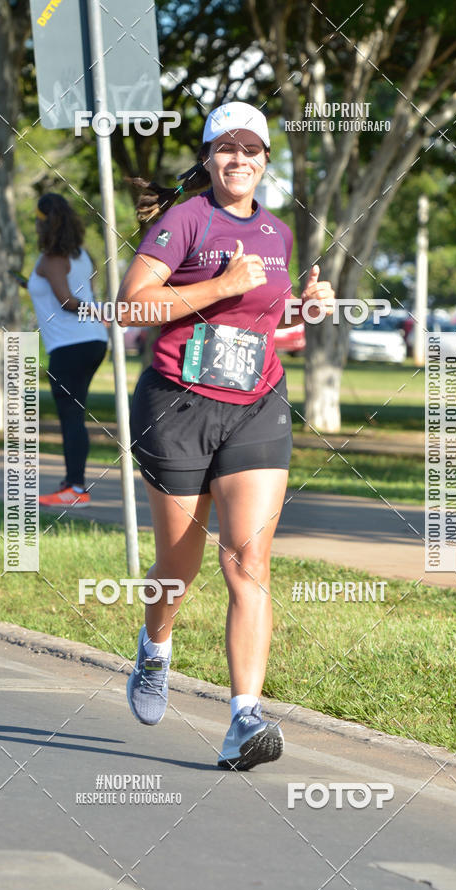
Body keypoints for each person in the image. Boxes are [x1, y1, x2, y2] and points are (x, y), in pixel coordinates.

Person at [117, 101, 335, 769]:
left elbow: (262, 316)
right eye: (226, 148)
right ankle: (155, 650)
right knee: (176, 569)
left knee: (248, 562)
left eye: (252, 149)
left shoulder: (276, 232)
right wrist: (219, 284)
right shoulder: (185, 221)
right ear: (209, 158)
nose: (239, 158)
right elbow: (132, 304)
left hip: (255, 405)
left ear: (266, 160)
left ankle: (245, 719)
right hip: (176, 407)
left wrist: (306, 307)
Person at [28, 193, 108, 508]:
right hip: (92, 342)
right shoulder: (82, 255)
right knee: (75, 413)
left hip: (69, 346)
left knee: (71, 416)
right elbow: (78, 289)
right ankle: (71, 482)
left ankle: (75, 488)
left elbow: (66, 301)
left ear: (44, 222)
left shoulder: (50, 259)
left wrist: (105, 311)